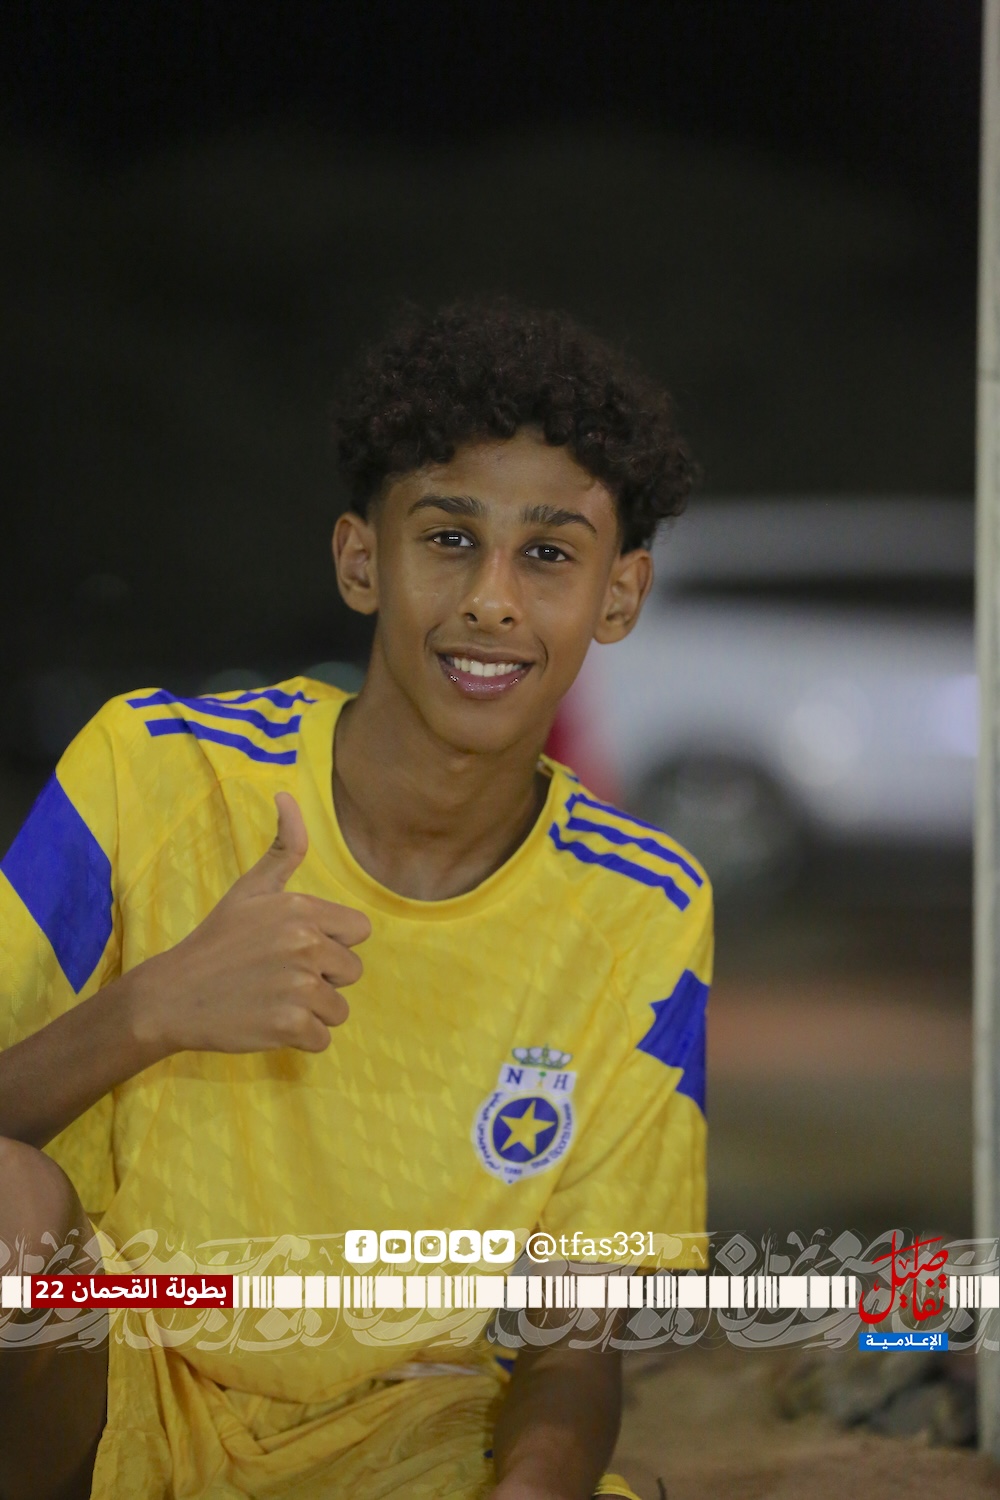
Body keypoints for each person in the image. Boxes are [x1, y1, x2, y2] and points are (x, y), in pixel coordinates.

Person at [0, 299, 712, 1500]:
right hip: (113, 1391)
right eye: (448, 538)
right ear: (360, 559)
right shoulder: (154, 769)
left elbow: (574, 1338)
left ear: (619, 594)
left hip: (407, 1436)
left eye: (548, 555)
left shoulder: (642, 906)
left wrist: (529, 1489)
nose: (491, 599)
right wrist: (151, 1011)